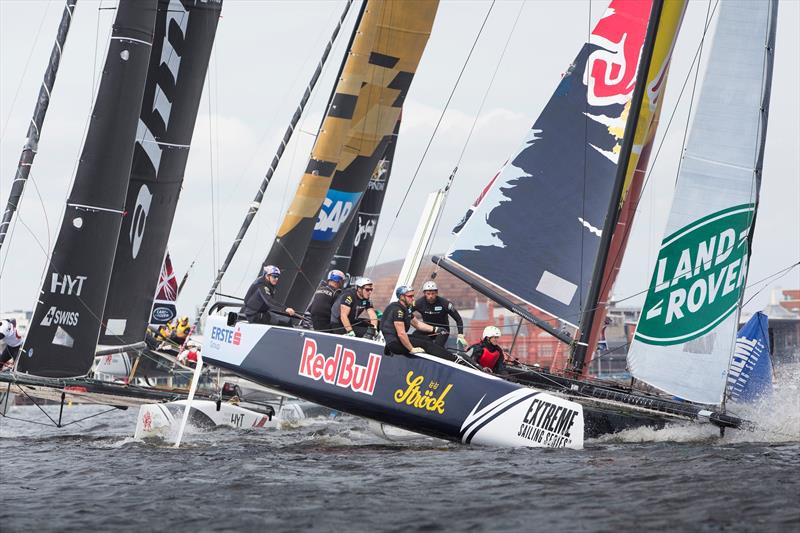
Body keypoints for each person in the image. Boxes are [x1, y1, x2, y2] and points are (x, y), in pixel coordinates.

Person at [380, 286, 455, 361]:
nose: (413, 298)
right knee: (426, 345)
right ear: (402, 297)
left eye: (413, 296)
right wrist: (411, 349)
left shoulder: (405, 309)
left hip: (395, 341)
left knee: (425, 339)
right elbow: (401, 333)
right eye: (410, 296)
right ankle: (453, 359)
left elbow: (417, 324)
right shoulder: (398, 310)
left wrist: (435, 329)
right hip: (395, 343)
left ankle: (443, 355)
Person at [414, 280, 466, 349]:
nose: (431, 296)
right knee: (413, 338)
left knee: (437, 348)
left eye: (433, 293)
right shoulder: (419, 303)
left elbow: (458, 319)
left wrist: (460, 334)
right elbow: (406, 312)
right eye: (428, 294)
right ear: (424, 293)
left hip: (443, 331)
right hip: (428, 329)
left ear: (436, 293)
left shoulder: (445, 303)